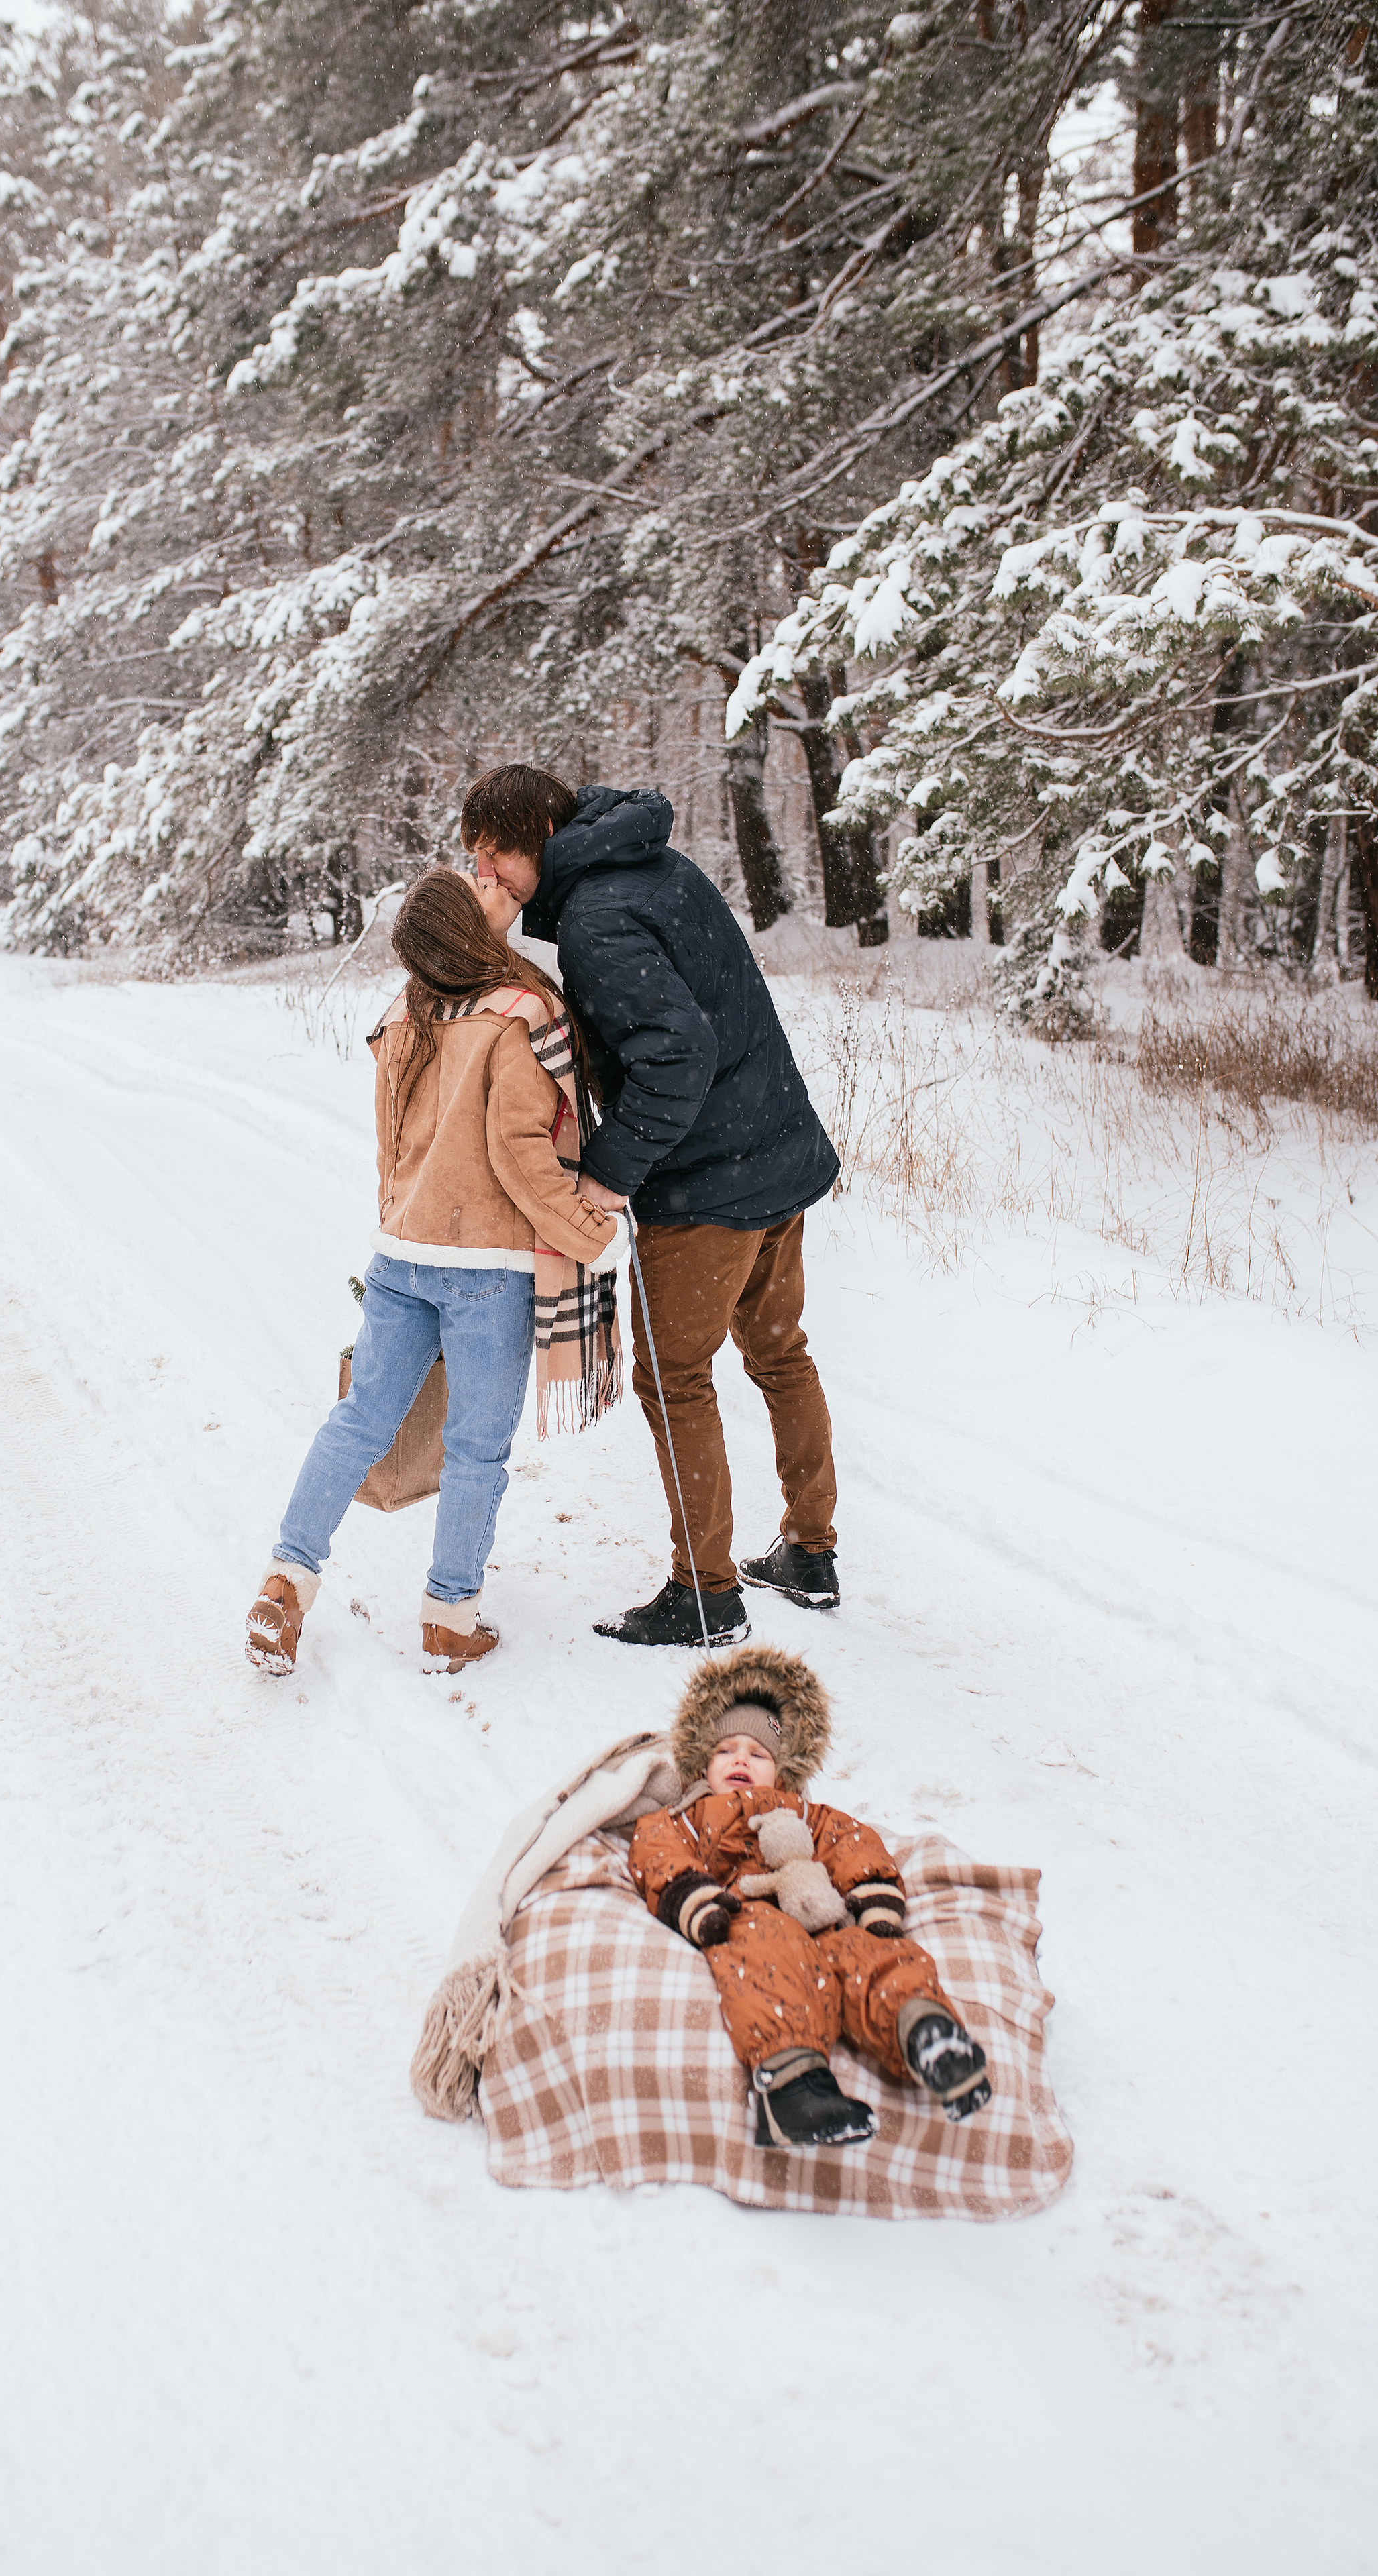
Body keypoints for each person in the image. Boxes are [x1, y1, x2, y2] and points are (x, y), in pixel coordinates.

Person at [462, 763, 842, 1646]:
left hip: (709, 1186)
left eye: (487, 861)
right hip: (775, 1151)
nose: (487, 880)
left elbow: (678, 1056)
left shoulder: (595, 921)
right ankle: (810, 1554)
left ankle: (706, 1595)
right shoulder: (646, 865)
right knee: (781, 1352)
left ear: (508, 846)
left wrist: (608, 1174)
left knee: (673, 1379)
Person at [246, 871, 619, 1680]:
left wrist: (402, 1216)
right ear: (467, 933)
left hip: (401, 1253)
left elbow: (390, 1147)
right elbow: (523, 1159)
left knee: (358, 1423)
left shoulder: (404, 1012)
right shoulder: (517, 1017)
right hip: (487, 1269)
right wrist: (596, 1237)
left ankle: (286, 1579)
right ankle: (450, 1617)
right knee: (475, 1450)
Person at [627, 1646, 992, 2148]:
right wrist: (696, 1898)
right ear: (701, 1763)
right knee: (769, 1958)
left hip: (823, 1917)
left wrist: (873, 1899)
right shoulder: (691, 1815)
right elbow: (656, 1850)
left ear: (782, 1771)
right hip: (748, 1914)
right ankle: (794, 2086)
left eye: (758, 1754)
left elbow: (851, 1841)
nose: (741, 1759)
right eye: (725, 1750)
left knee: (874, 1955)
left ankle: (925, 2032)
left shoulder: (806, 1814)